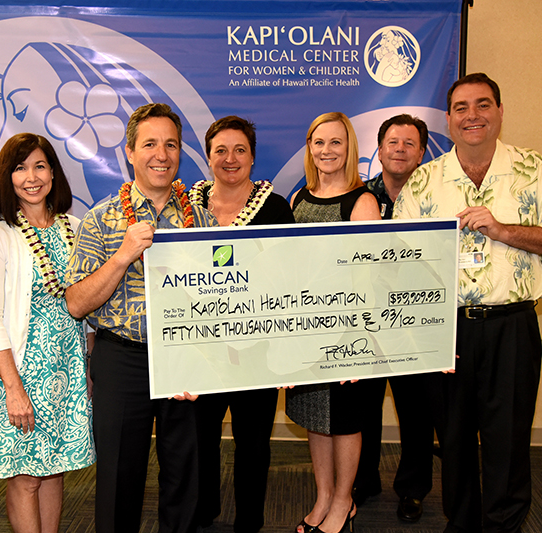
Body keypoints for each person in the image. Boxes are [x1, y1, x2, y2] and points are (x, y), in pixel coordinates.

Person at [393, 73, 542, 533]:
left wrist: (500, 230)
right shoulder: (425, 181)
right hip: (447, 330)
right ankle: (461, 523)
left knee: (509, 438)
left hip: (511, 327)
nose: (472, 116)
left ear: (499, 112)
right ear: (449, 118)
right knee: (453, 439)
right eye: (461, 108)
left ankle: (505, 525)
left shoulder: (533, 170)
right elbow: (398, 256)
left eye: (482, 105)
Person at [64, 103, 218, 533]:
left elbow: (219, 297)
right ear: (130, 152)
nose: (161, 154)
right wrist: (123, 255)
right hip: (122, 358)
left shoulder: (201, 220)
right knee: (118, 475)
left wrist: (203, 358)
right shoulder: (100, 219)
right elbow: (76, 303)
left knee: (185, 474)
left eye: (171, 144)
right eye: (149, 144)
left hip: (182, 356)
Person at [0, 133, 96, 533]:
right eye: (20, 167)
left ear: (53, 173)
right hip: (22, 373)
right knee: (26, 477)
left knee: (56, 467)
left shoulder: (75, 227)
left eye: (40, 166)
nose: (31, 177)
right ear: (6, 178)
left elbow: (85, 304)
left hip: (68, 370)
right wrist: (13, 387)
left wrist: (89, 368)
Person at [188, 116, 295, 533]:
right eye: (220, 150)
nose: (230, 159)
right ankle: (204, 509)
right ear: (208, 156)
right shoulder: (188, 204)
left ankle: (249, 518)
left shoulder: (275, 208)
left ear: (252, 157)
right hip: (201, 345)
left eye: (239, 151)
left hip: (257, 348)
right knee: (201, 438)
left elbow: (288, 280)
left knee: (253, 441)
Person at [287, 112, 381, 533]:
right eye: (319, 142)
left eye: (336, 143)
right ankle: (323, 496)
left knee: (344, 421)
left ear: (350, 149)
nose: (327, 151)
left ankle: (345, 501)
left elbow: (369, 277)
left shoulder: (362, 202)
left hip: (346, 331)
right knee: (315, 417)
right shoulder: (298, 200)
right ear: (310, 147)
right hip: (306, 330)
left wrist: (356, 342)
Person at [354, 114, 438, 522]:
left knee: (416, 412)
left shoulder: (437, 199)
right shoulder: (360, 197)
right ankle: (363, 480)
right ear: (380, 149)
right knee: (364, 409)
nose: (400, 149)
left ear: (422, 152)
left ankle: (413, 489)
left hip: (415, 323)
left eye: (409, 143)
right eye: (393, 142)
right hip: (367, 325)